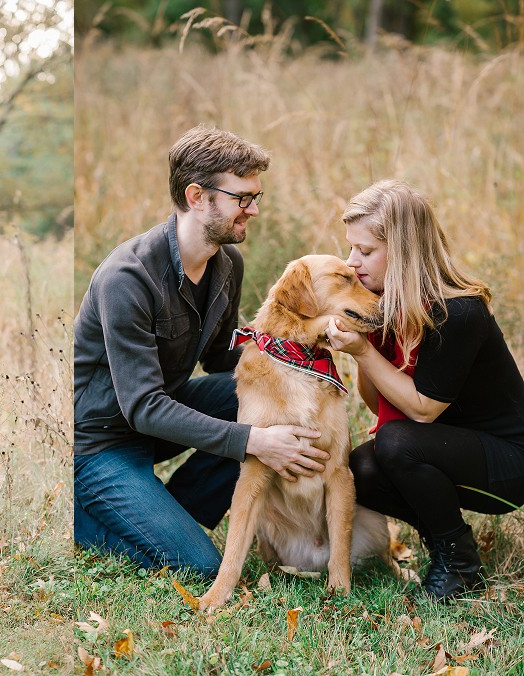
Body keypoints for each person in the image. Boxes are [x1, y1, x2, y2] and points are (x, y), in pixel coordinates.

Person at [73, 126, 330, 576]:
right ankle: (85, 515)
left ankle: (170, 510)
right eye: (241, 198)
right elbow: (143, 407)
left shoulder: (227, 263)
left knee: (251, 399)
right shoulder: (127, 278)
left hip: (157, 422)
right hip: (101, 443)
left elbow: (220, 358)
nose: (252, 210)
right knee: (201, 567)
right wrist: (255, 441)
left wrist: (301, 346)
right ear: (197, 196)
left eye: (256, 196)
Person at [325, 179, 524, 601]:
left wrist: (363, 352)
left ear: (401, 250)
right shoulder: (389, 304)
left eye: (365, 251)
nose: (351, 262)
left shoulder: (458, 311)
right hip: (452, 447)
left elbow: (420, 412)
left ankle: (460, 566)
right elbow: (378, 401)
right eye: (350, 248)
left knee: (396, 442)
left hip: (509, 461)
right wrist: (369, 341)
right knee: (361, 465)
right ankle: (445, 542)